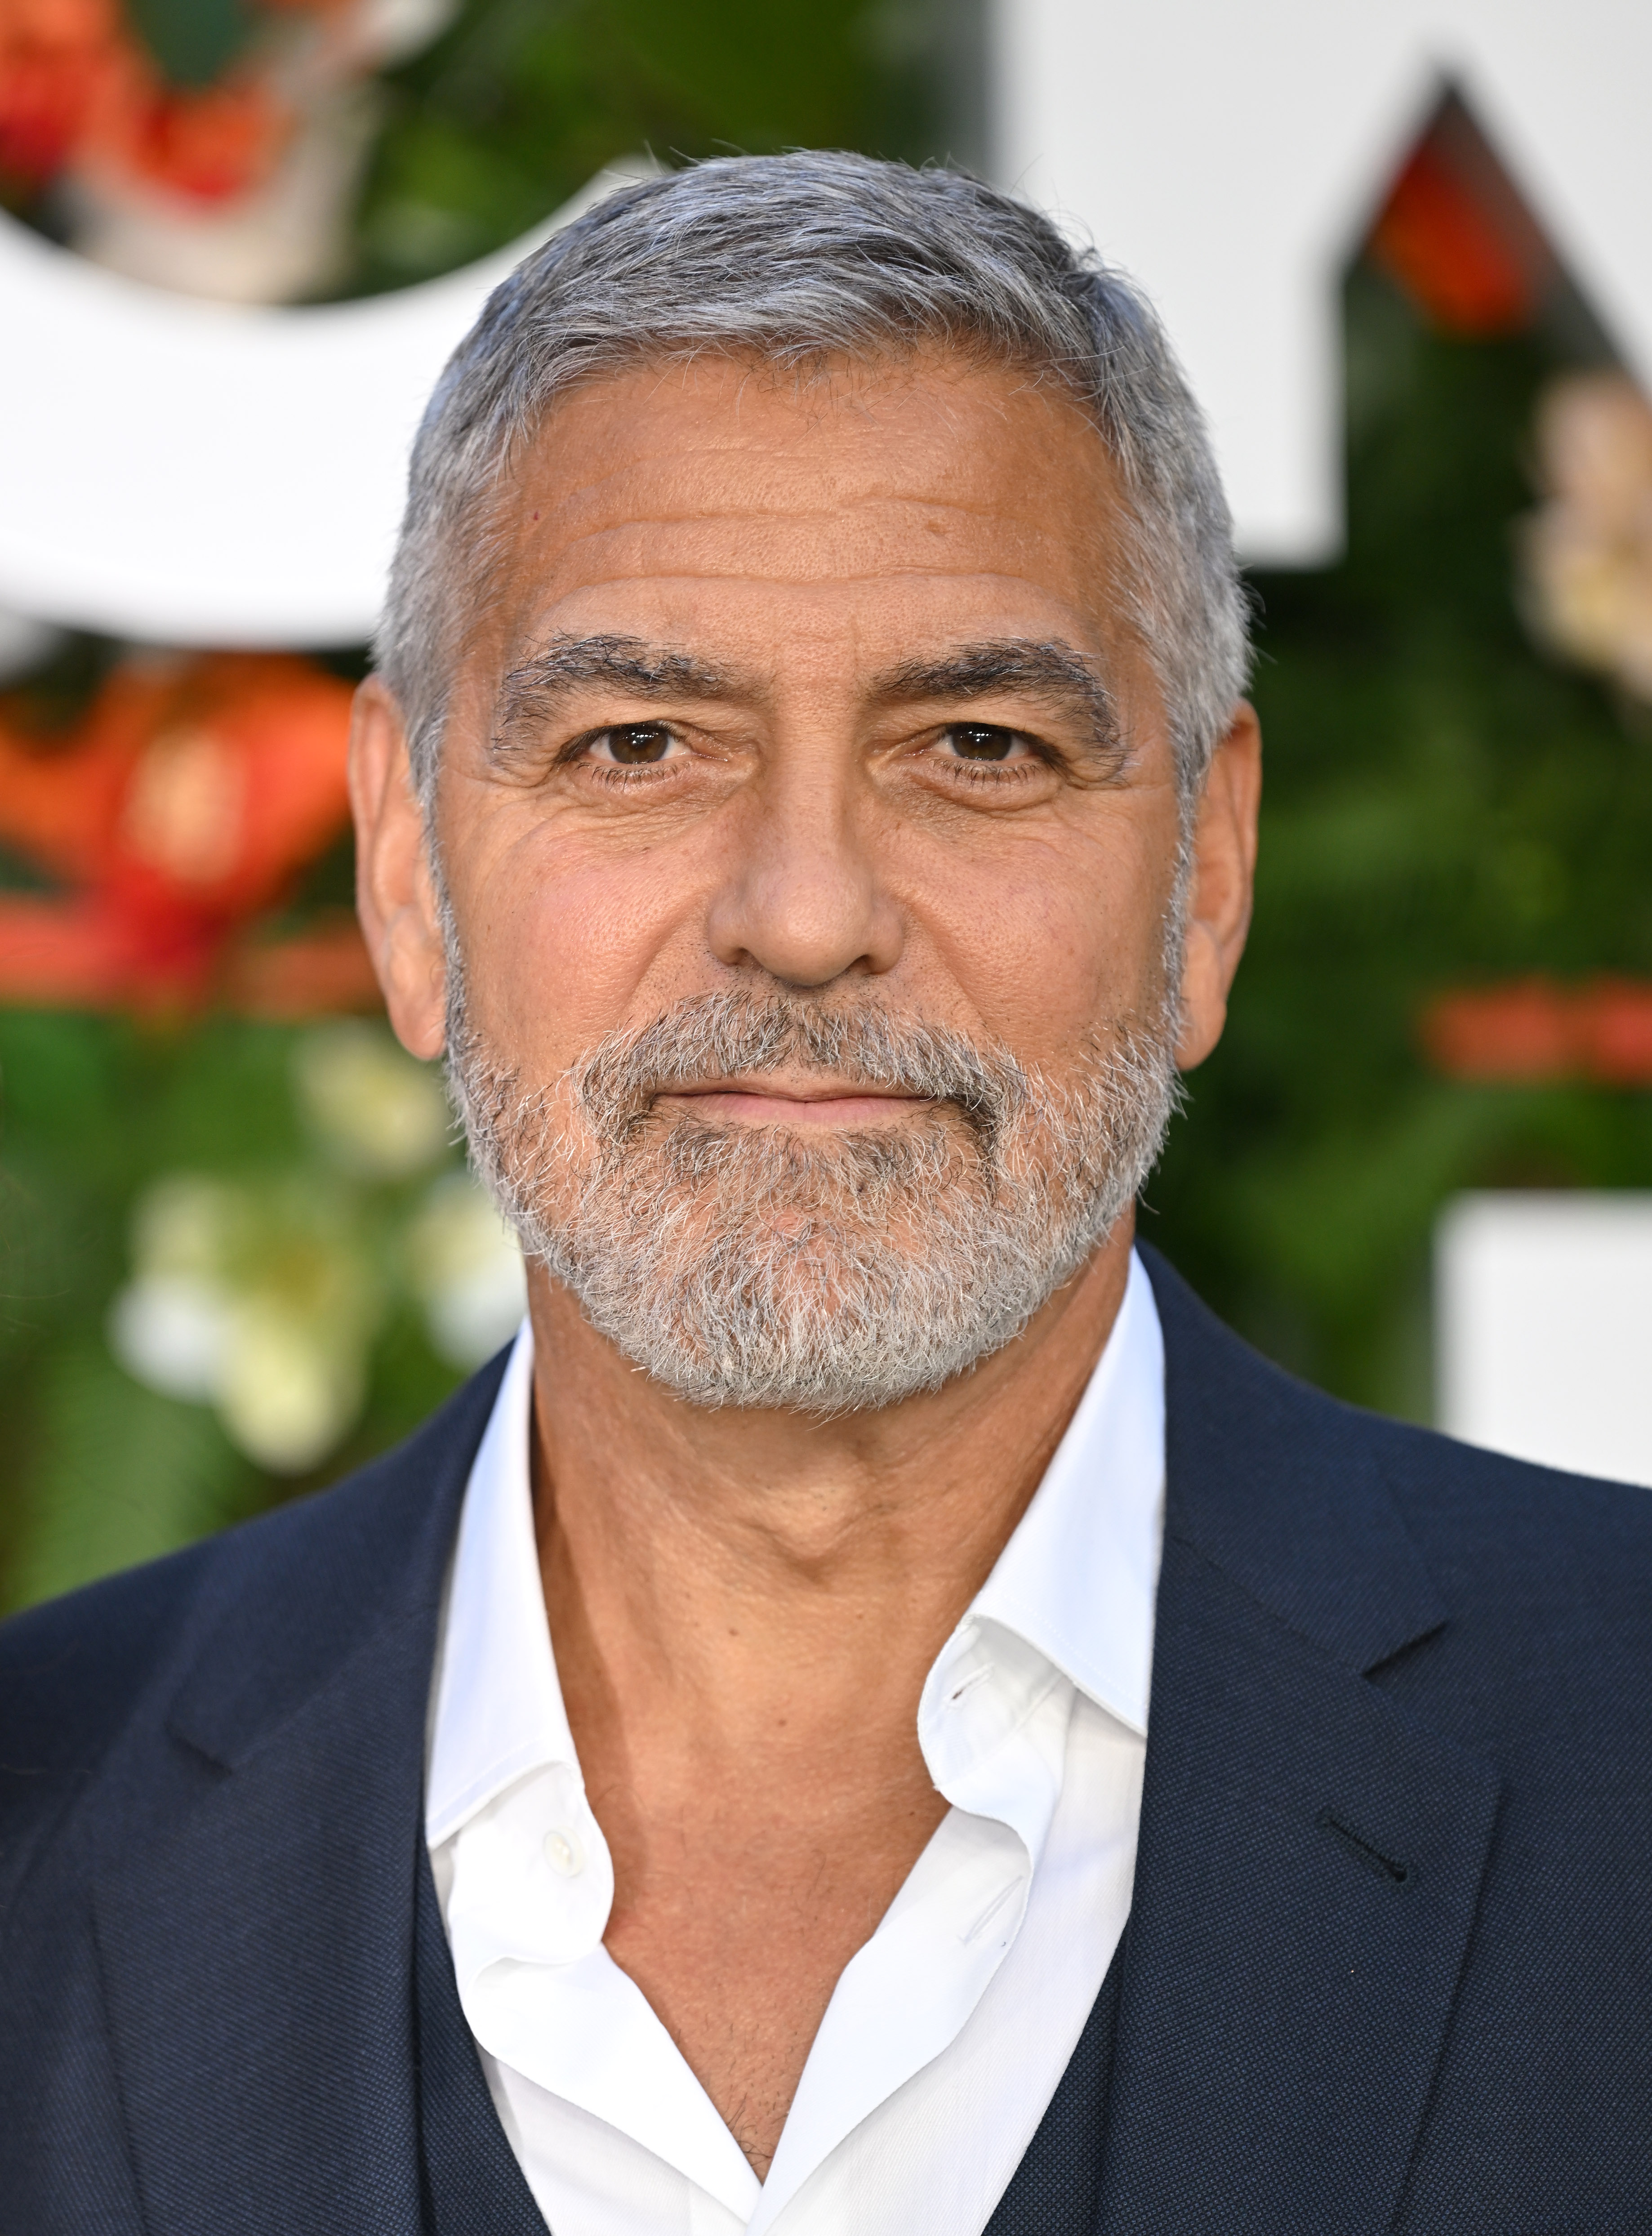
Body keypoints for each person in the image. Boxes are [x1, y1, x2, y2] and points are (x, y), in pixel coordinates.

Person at [3, 153, 1650, 2236]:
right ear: (409, 872)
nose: (801, 914)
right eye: (633, 744)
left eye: (972, 744)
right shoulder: (31, 1826)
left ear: (1205, 875)